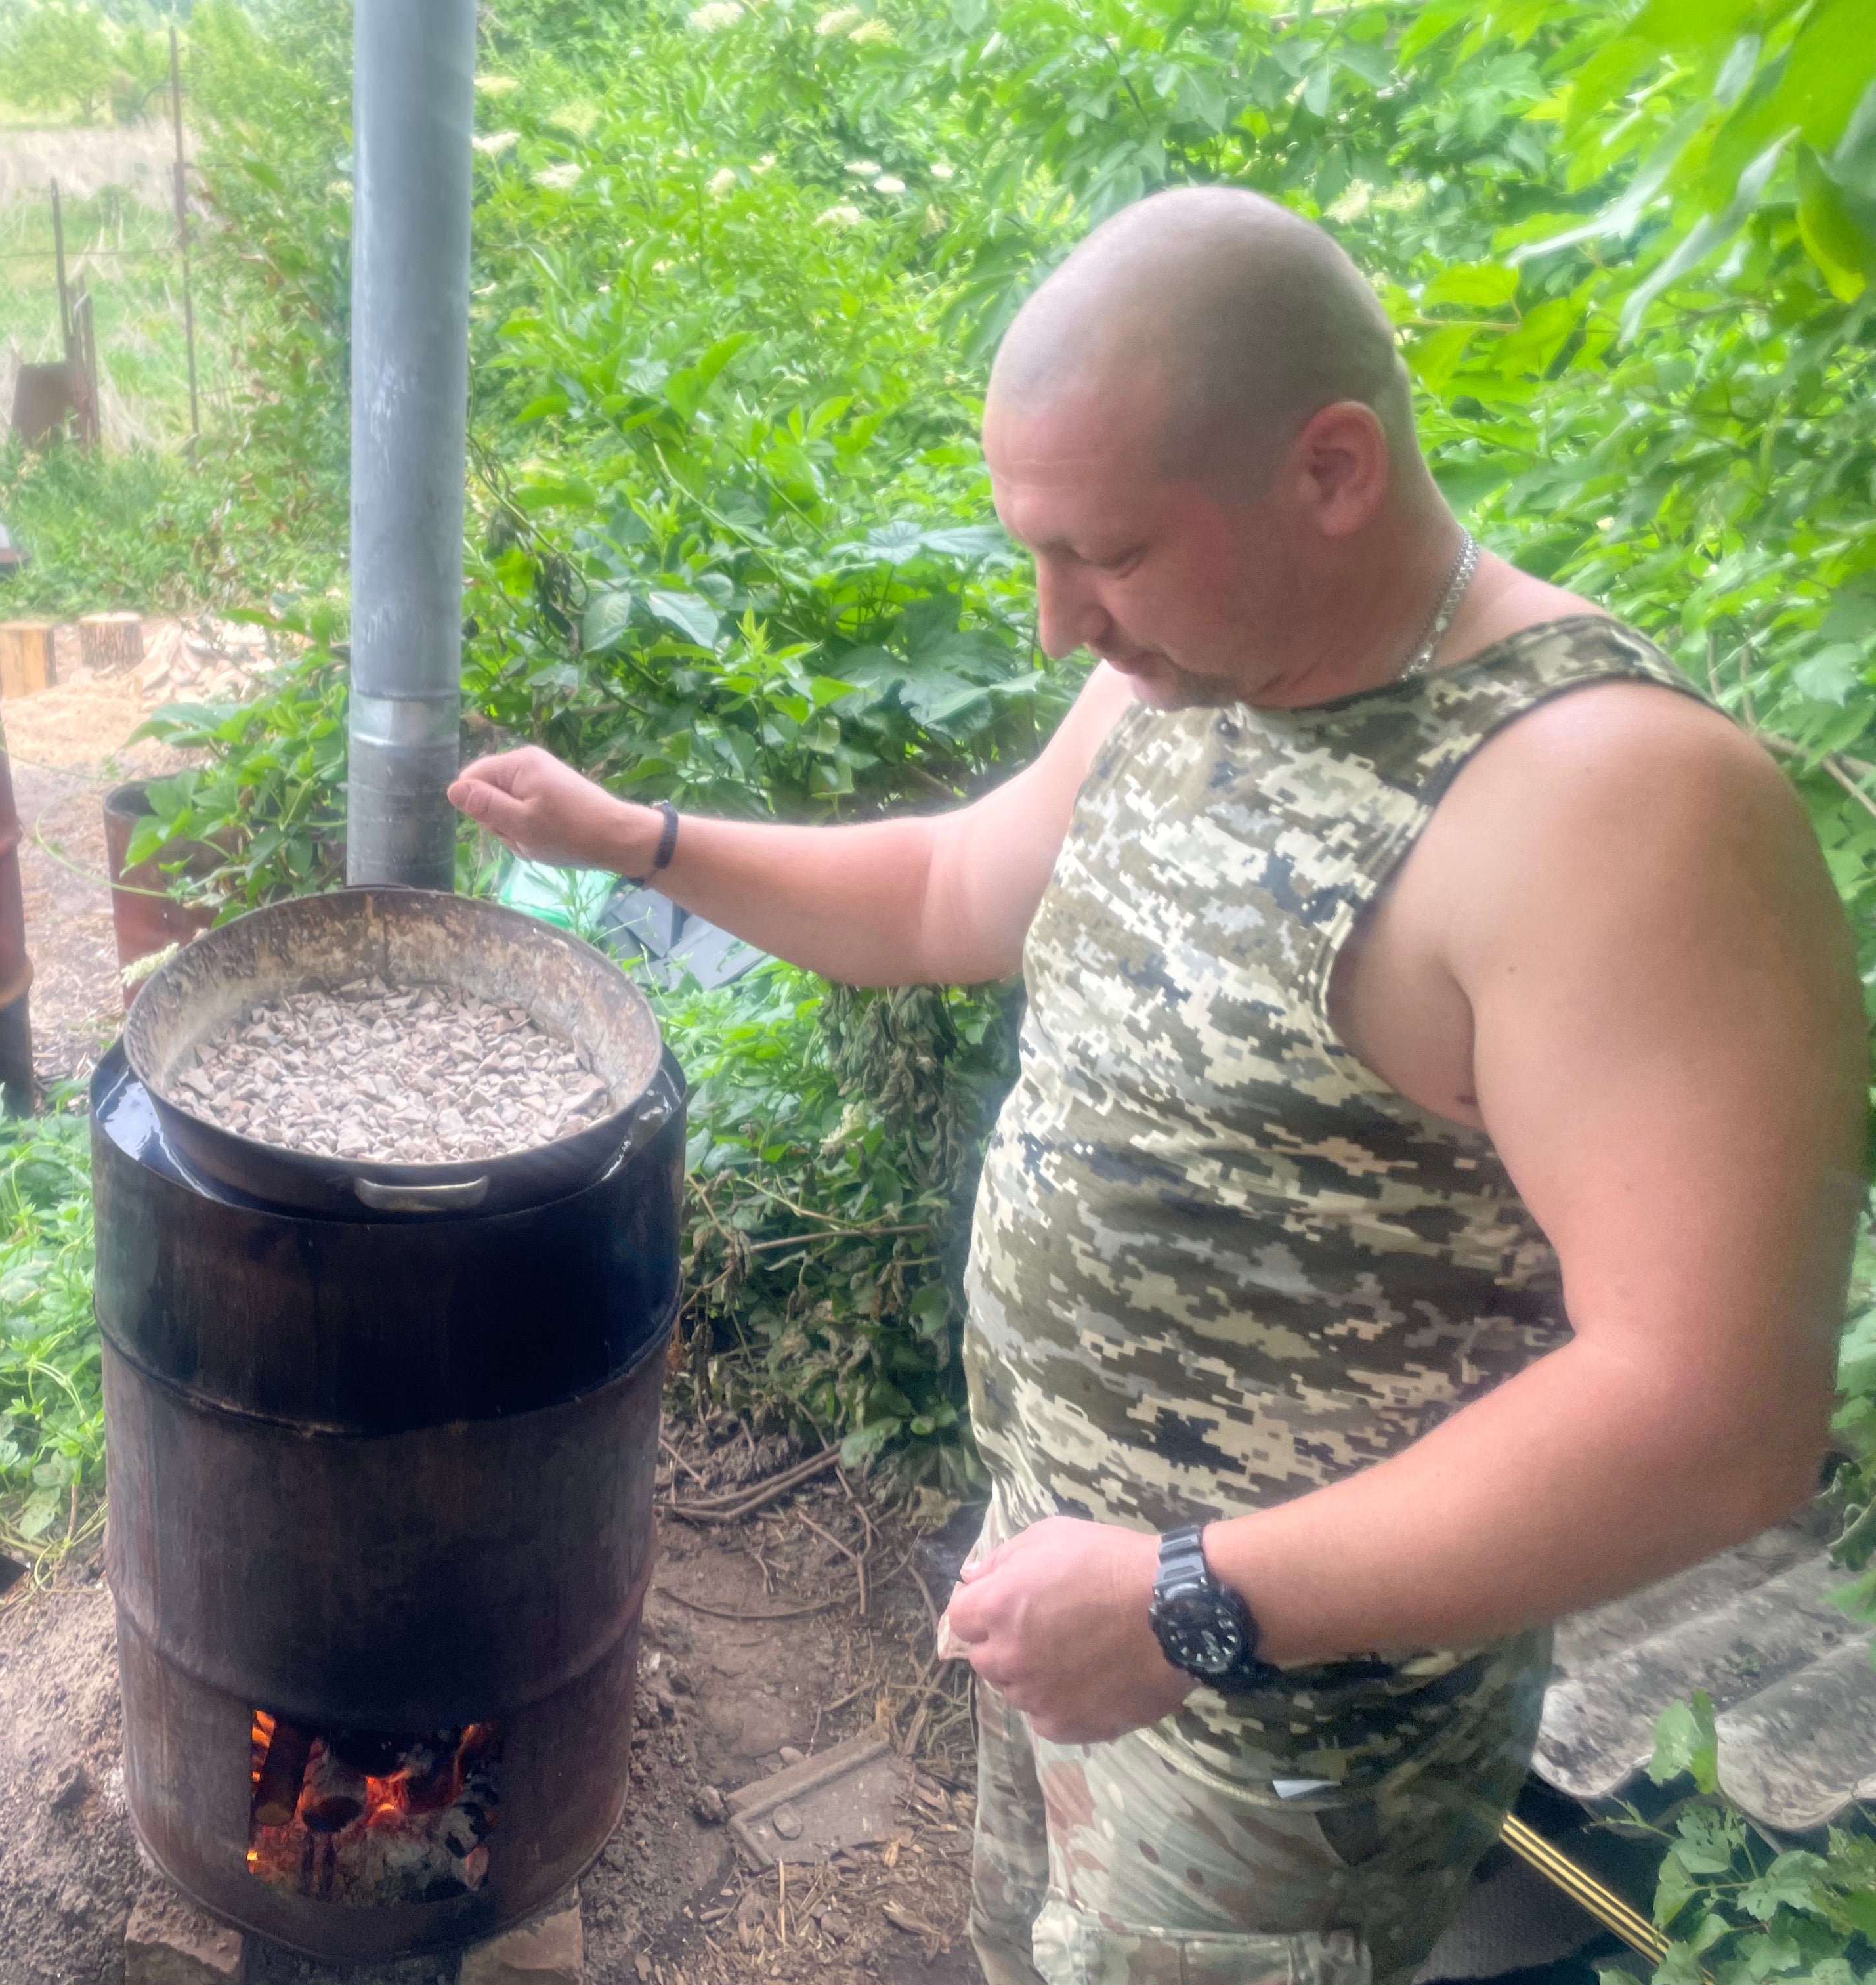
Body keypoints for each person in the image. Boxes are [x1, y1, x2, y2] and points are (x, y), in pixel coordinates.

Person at [451, 186, 1862, 1985]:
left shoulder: (1618, 812)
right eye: (1035, 554)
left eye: (1101, 554)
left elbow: (1714, 1413)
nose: (1055, 625)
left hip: (1291, 1739)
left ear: (1333, 468)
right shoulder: (1198, 672)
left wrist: (1199, 1600)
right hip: (1077, 1604)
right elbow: (957, 892)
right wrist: (634, 836)